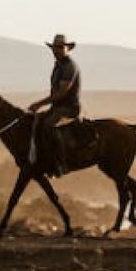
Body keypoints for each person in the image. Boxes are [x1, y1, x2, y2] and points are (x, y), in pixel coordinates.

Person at [28, 34, 81, 176]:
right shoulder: (58, 66)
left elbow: (62, 92)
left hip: (69, 109)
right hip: (57, 108)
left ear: (66, 49)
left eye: (59, 48)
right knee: (35, 123)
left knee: (48, 125)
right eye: (54, 48)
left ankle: (60, 162)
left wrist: (39, 104)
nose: (56, 51)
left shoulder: (70, 67)